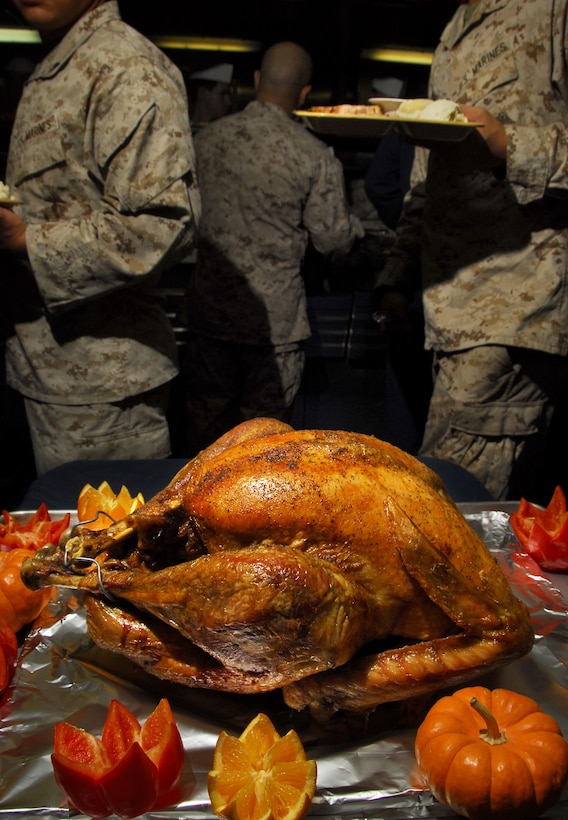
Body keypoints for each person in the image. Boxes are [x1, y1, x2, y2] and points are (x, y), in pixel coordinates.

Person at [375, 0, 568, 503]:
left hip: (515, 305)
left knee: (445, 511)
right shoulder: (455, 31)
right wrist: (397, 275)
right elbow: (427, 181)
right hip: (449, 310)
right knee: (484, 511)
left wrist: (510, 143)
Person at [0, 0, 201, 475]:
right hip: (52, 369)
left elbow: (162, 223)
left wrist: (25, 238)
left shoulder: (123, 64)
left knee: (105, 541)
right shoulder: (62, 61)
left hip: (102, 386)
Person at [184, 41, 363, 453]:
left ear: (256, 81)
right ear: (304, 93)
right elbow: (333, 238)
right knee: (263, 450)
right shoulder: (313, 155)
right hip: (275, 329)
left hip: (209, 319)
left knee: (203, 440)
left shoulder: (203, 143)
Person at [187, 62, 234, 134]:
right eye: (222, 94)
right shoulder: (183, 130)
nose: (228, 102)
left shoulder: (224, 133)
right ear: (202, 93)